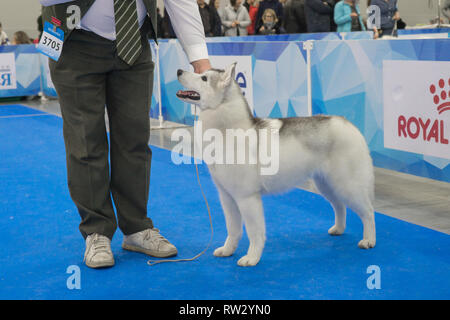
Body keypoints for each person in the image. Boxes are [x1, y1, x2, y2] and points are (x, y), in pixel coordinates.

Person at [40, 0, 211, 269]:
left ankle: (136, 228)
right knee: (85, 142)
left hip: (134, 42)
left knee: (135, 140)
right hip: (74, 40)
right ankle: (96, 231)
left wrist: (200, 60)